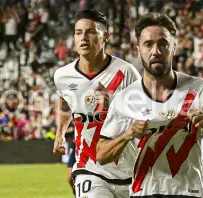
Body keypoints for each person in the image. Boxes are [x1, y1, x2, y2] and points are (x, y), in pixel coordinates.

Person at [96, 13, 203, 198]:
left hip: (189, 192)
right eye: (148, 44)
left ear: (174, 48)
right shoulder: (126, 98)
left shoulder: (198, 88)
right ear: (139, 50)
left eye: (163, 44)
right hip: (144, 193)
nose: (156, 51)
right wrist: (128, 134)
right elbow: (101, 155)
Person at [52, 9, 141, 198]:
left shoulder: (126, 73)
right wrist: (60, 132)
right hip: (89, 169)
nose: (83, 38)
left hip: (127, 169)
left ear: (105, 37)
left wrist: (112, 107)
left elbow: (143, 116)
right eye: (78, 32)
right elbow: (65, 101)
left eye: (90, 32)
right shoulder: (63, 76)